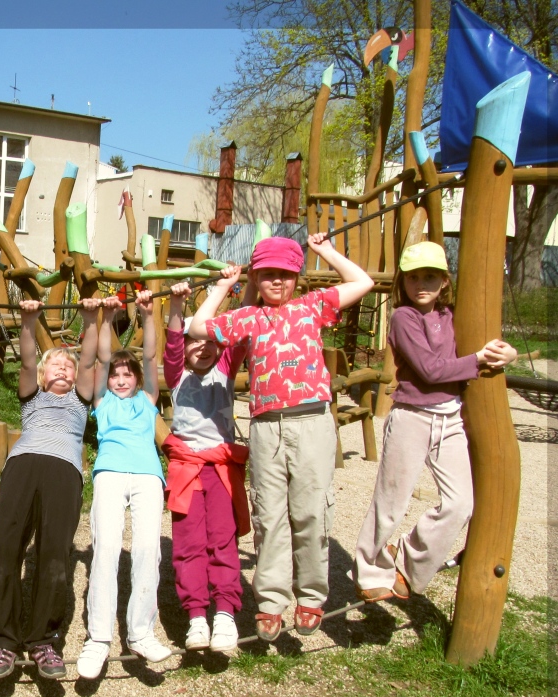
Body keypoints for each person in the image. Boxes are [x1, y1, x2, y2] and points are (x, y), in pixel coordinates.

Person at [191, 234, 374, 641]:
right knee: (269, 515)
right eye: (268, 274)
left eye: (285, 275)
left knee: (311, 510)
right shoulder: (249, 318)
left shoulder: (311, 307)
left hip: (311, 421)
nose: (277, 282)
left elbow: (362, 283)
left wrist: (325, 251)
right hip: (266, 425)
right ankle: (271, 601)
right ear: (257, 276)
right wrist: (224, 286)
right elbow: (197, 326)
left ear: (297, 277)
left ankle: (310, 595)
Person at [354, 241, 516, 602]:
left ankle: (408, 561)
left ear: (445, 280)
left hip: (451, 418)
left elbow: (488, 343)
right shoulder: (403, 318)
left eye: (430, 277)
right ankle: (368, 570)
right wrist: (479, 361)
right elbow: (429, 369)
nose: (421, 285)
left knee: (461, 503)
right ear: (403, 282)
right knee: (392, 500)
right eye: (413, 278)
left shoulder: (455, 315)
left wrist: (508, 353)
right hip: (412, 416)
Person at [0, 297, 99, 680]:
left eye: (68, 366)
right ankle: (2, 642)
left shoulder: (81, 403)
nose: (64, 369)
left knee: (53, 556)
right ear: (45, 376)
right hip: (23, 465)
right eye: (56, 366)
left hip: (64, 472)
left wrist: (89, 319)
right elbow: (29, 360)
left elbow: (88, 361)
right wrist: (28, 321)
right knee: (6, 548)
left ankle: (43, 640)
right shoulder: (32, 399)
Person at [76, 292, 171, 680]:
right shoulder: (102, 403)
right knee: (108, 548)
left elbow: (149, 357)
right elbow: (99, 359)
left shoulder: (149, 400)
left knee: (148, 548)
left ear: (137, 380)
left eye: (126, 375)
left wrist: (148, 316)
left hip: (148, 476)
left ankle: (140, 632)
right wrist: (107, 317)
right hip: (111, 474)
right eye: (115, 375)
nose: (119, 379)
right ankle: (98, 638)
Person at [161, 276, 250, 653]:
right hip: (186, 470)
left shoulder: (225, 370)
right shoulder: (177, 375)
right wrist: (178, 306)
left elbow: (241, 329)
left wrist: (241, 286)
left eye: (211, 342)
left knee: (222, 539)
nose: (203, 347)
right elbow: (173, 346)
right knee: (188, 542)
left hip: (220, 468)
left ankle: (225, 613)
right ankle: (197, 615)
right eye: (195, 341)